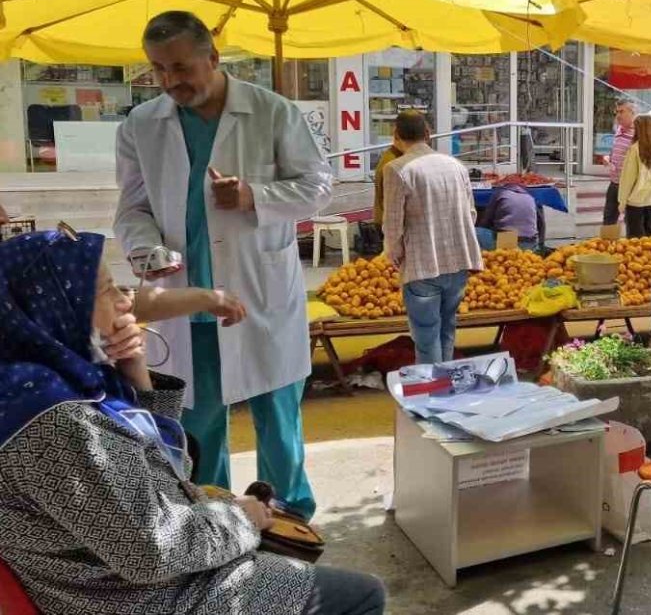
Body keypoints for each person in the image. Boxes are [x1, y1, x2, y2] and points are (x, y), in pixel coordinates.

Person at [0, 229, 386, 615]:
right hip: (139, 598)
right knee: (362, 595)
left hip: (128, 580)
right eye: (105, 290)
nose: (125, 304)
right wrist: (242, 518)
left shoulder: (57, 380)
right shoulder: (53, 421)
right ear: (53, 304)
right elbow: (152, 551)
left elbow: (168, 469)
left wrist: (136, 374)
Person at [114, 11, 332, 520]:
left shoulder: (272, 111)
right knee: (200, 420)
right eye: (158, 70)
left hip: (259, 296)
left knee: (278, 419)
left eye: (181, 68)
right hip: (188, 298)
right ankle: (214, 520)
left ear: (213, 58)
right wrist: (147, 249)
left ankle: (289, 517)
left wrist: (255, 194)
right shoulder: (141, 125)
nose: (170, 82)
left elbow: (318, 187)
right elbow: (132, 208)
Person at [383, 110, 485, 365]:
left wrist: (393, 254)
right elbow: (471, 213)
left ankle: (432, 396)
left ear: (395, 137)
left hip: (422, 266)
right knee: (447, 330)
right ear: (428, 134)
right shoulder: (456, 165)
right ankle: (445, 389)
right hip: (459, 262)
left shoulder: (396, 169)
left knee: (426, 338)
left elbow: (393, 223)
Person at [476, 182, 544, 251]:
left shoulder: (500, 193)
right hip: (530, 242)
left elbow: (486, 221)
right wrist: (540, 243)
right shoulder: (530, 197)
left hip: (508, 241)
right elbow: (541, 223)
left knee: (477, 231)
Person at [603, 101, 638, 227]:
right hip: (614, 183)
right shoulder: (618, 130)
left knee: (632, 223)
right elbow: (614, 151)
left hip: (630, 187)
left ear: (632, 113)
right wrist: (608, 157)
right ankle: (607, 245)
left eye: (622, 111)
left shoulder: (638, 134)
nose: (618, 115)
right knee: (608, 220)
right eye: (617, 112)